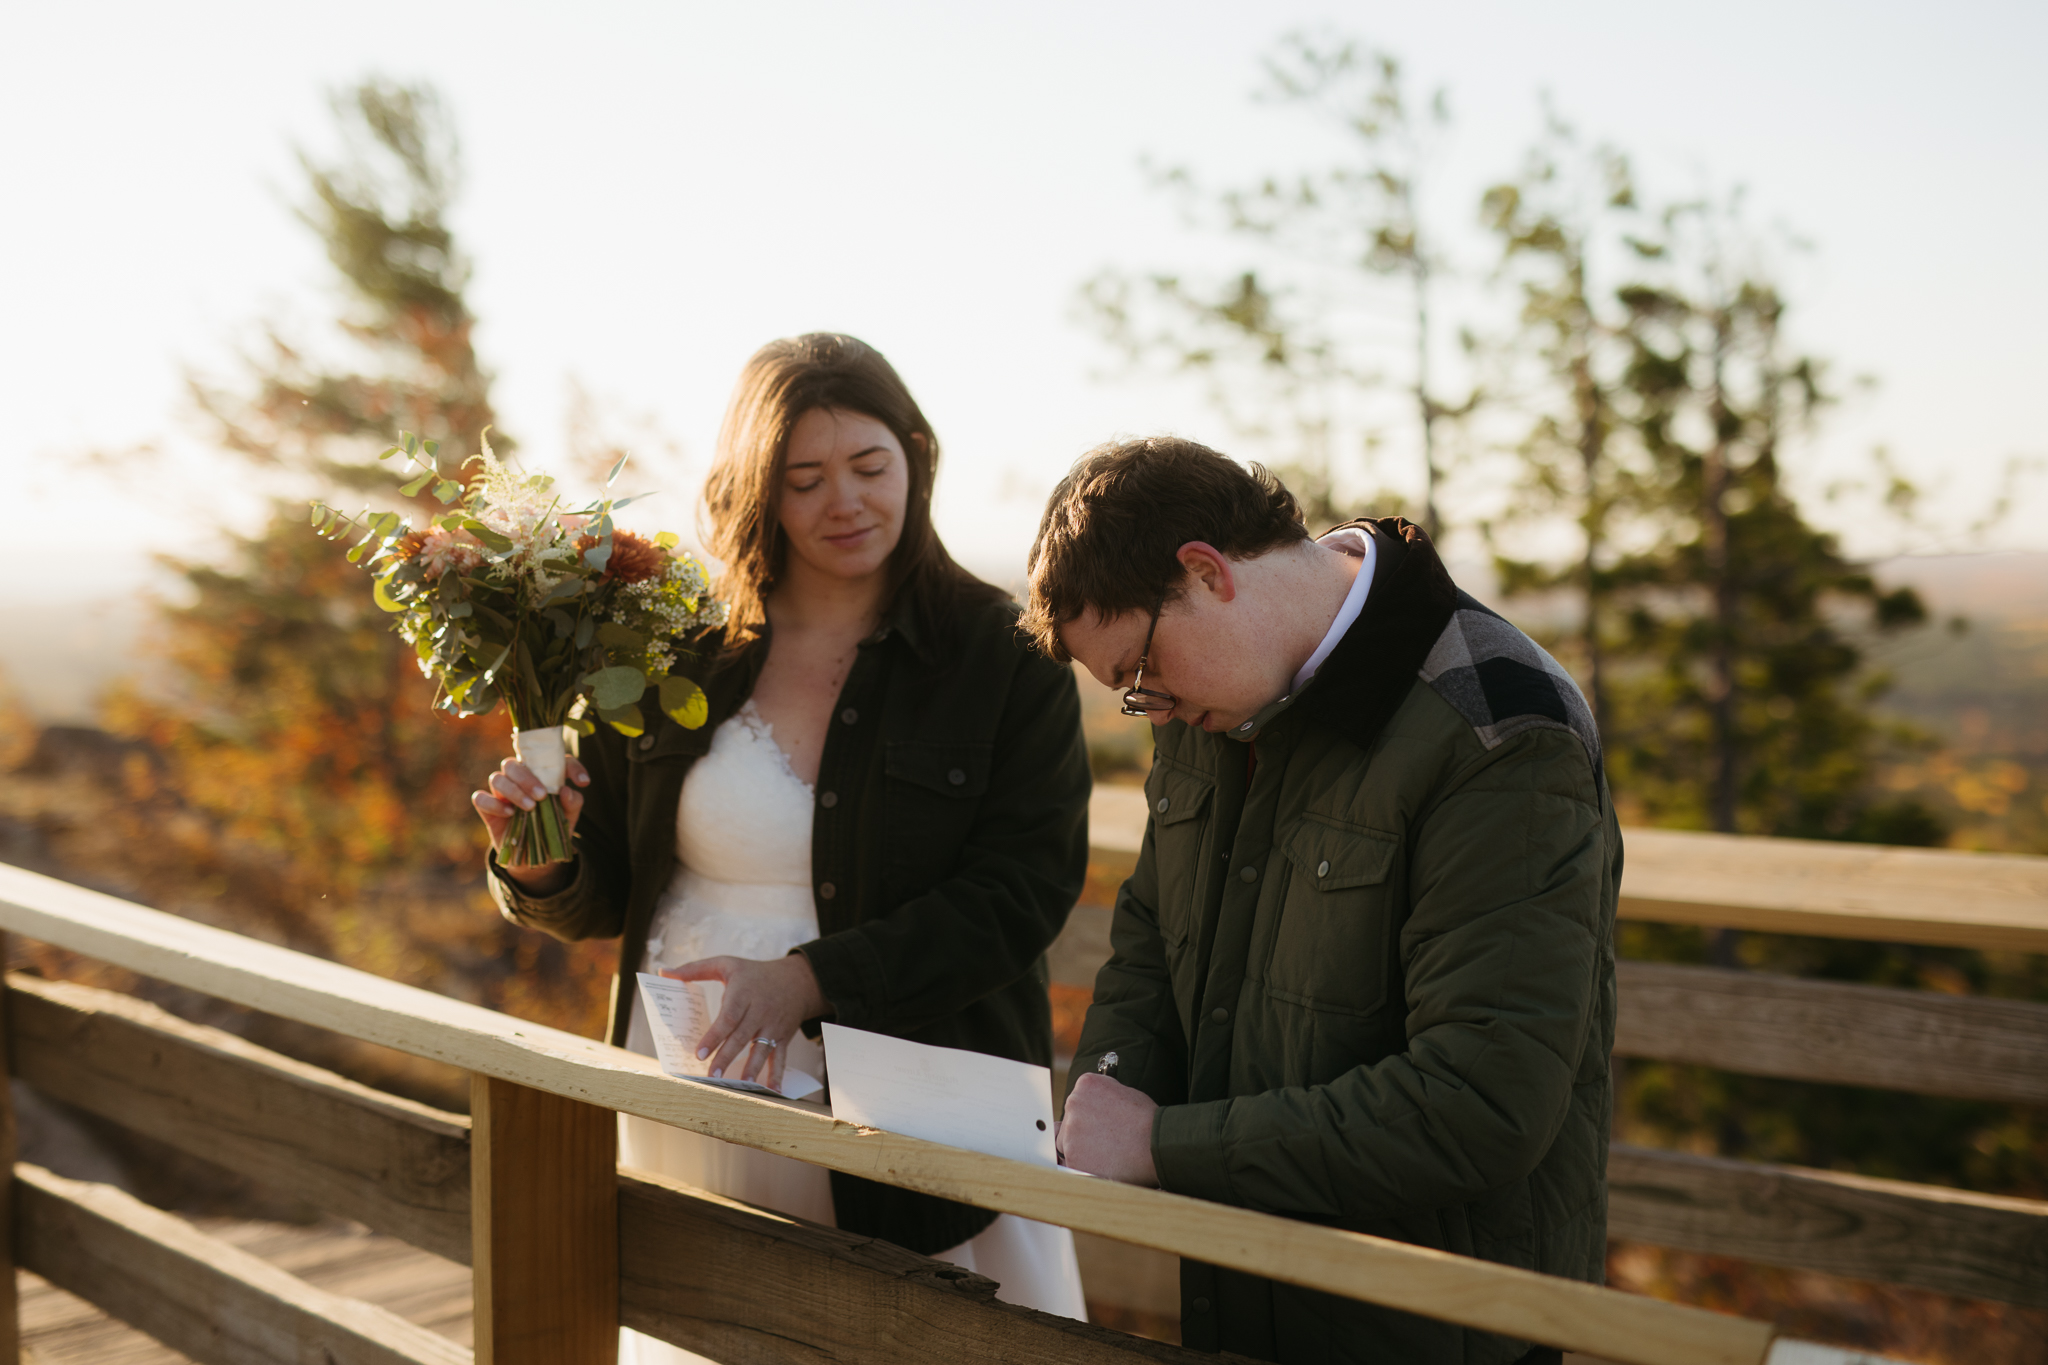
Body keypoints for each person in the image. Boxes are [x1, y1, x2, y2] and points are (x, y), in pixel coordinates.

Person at [474, 334, 1092, 1362]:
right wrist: (537, 861)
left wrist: (809, 981)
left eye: (868, 467)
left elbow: (1017, 895)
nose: (842, 502)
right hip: (689, 1081)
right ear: (756, 490)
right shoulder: (673, 648)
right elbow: (605, 897)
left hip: (921, 1105)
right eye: (802, 479)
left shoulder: (1003, 657)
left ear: (915, 457)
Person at [1025, 436, 1618, 1365]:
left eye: (1141, 672)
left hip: (1436, 1328)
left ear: (1206, 572)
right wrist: (1113, 1079)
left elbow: (1481, 1099)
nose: (1152, 706)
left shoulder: (1500, 725)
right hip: (1244, 1291)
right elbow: (1152, 928)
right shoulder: (1217, 693)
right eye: (1127, 693)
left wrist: (1166, 1146)